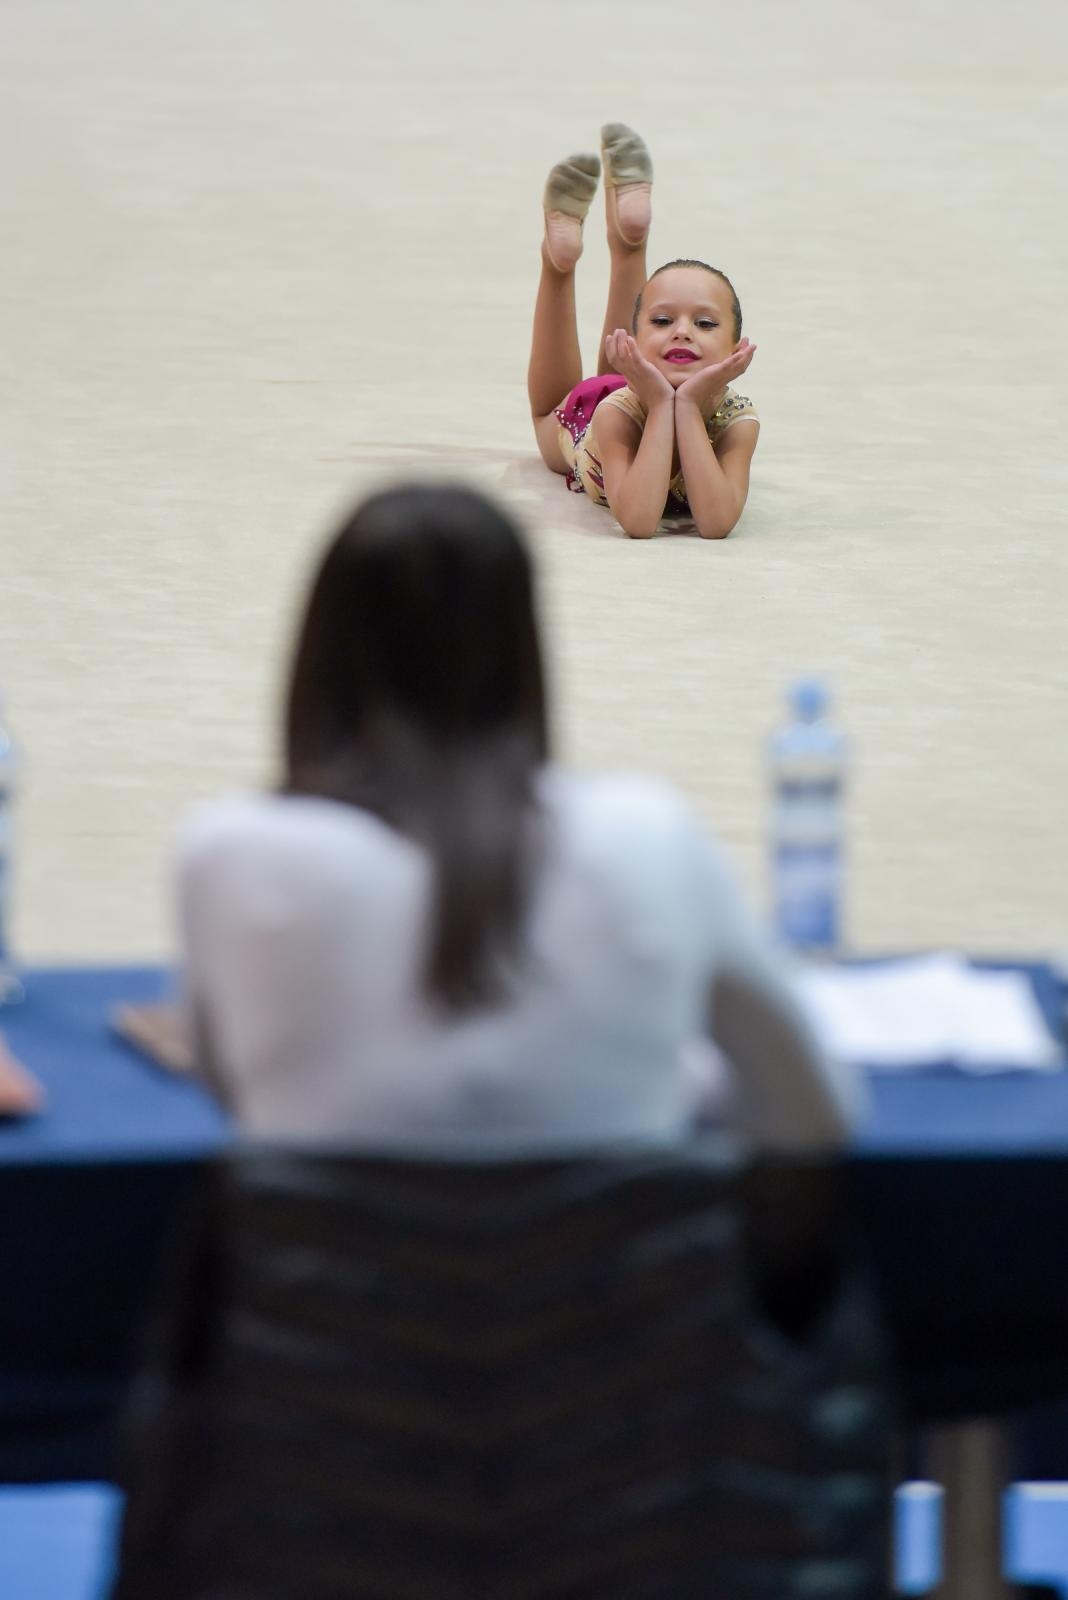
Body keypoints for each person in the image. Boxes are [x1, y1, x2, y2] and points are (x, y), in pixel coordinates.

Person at [175, 483, 858, 1150]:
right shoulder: (653, 838)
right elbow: (812, 1111)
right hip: (615, 1230)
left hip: (320, 1232)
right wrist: (652, 1076)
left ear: (320, 658)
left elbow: (241, 1088)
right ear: (523, 651)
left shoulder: (227, 853)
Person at [530, 123, 759, 539]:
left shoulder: (738, 420)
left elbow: (717, 523)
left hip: (639, 389)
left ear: (735, 350)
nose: (682, 332)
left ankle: (566, 261)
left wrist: (684, 404)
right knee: (548, 414)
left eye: (704, 323)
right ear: (633, 342)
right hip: (597, 404)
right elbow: (637, 522)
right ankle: (573, 262)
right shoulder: (613, 415)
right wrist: (659, 401)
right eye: (663, 322)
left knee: (545, 411)